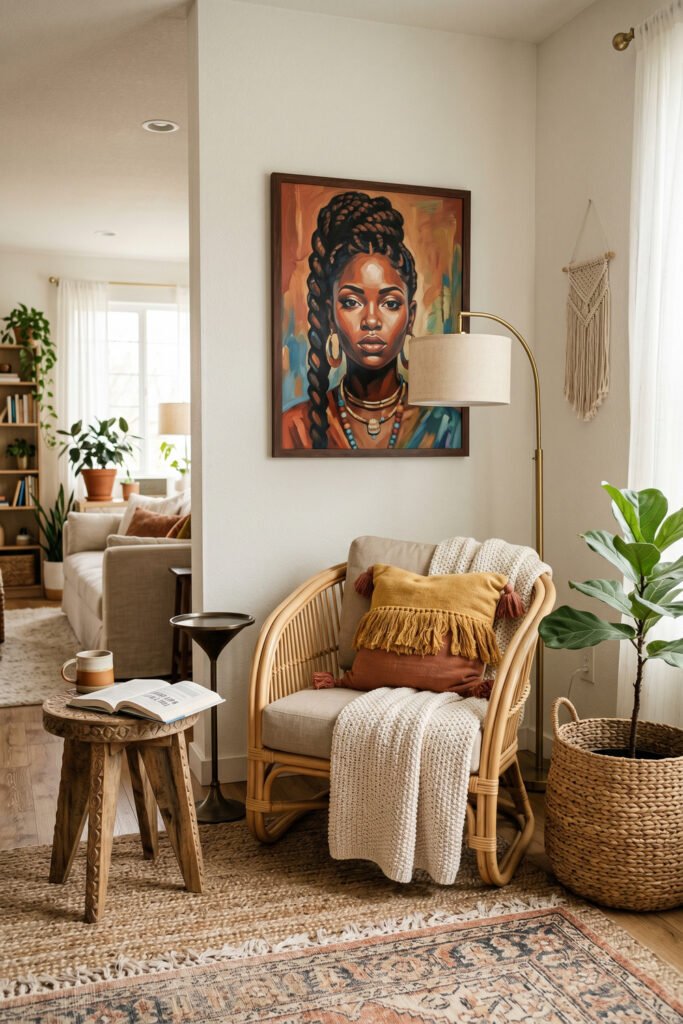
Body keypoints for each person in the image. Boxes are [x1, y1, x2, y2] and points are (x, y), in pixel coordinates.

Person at [281, 190, 461, 451]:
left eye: (390, 304)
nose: (372, 320)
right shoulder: (295, 428)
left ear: (410, 317)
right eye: (352, 302)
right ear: (331, 316)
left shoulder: (445, 426)